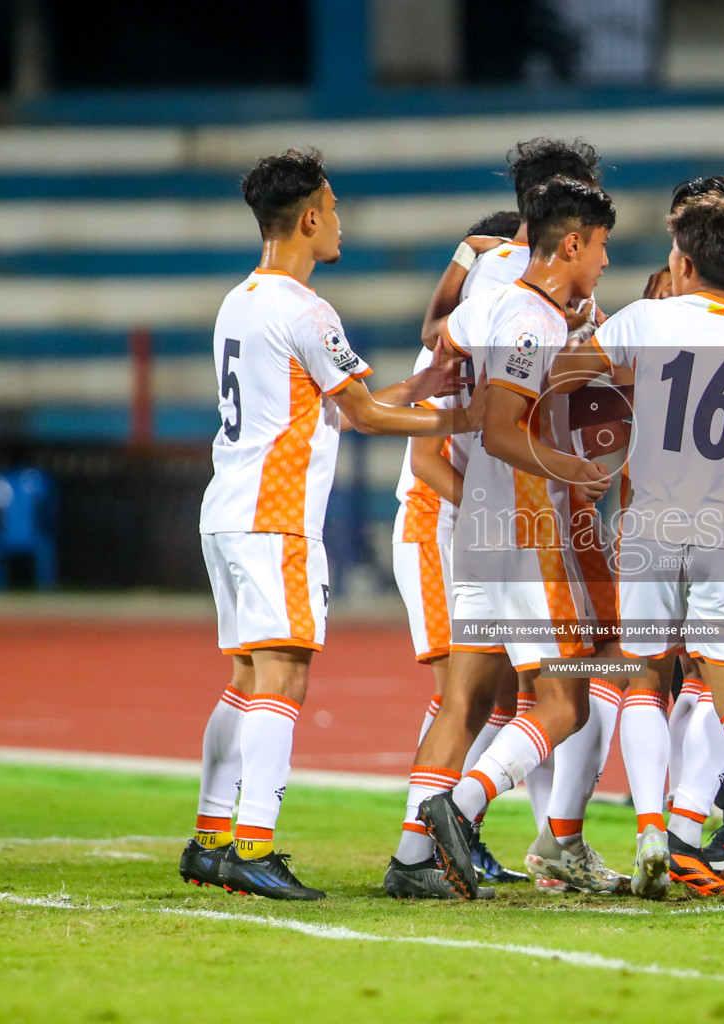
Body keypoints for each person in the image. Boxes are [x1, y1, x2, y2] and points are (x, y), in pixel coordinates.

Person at [182, 148, 481, 901]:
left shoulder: (240, 300)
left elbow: (352, 393)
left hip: (227, 511)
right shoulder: (307, 309)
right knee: (284, 676)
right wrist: (469, 414)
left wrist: (427, 384)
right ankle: (253, 846)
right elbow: (369, 414)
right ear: (310, 219)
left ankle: (212, 838)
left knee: (246, 675)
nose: (340, 220)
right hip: (276, 517)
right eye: (335, 207)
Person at [553, 194, 724, 899]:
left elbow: (567, 376)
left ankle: (651, 833)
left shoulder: (643, 319)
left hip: (650, 523)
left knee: (644, 684)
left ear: (683, 262)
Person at [391, 178, 620, 901]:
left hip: (476, 529)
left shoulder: (482, 309)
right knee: (564, 702)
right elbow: (501, 429)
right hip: (523, 527)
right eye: (603, 246)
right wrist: (572, 464)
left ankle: (410, 860)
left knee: (464, 700)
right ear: (573, 242)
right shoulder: (534, 322)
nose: (606, 263)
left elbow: (440, 353)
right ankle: (459, 810)